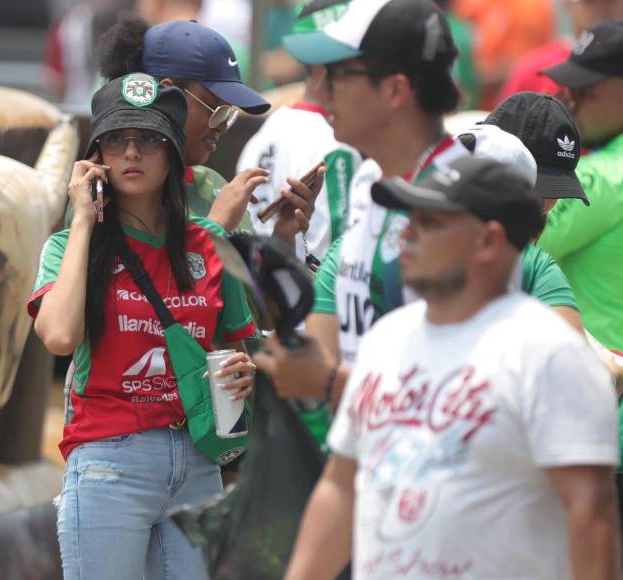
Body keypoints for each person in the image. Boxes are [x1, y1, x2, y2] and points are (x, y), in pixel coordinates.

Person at [284, 155, 621, 580]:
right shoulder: (387, 341)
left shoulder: (547, 353)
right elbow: (341, 484)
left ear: (487, 242)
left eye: (430, 222)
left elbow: (591, 515)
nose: (405, 233)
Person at [254, 0, 583, 407]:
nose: (322, 88)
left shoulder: (466, 209)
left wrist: (326, 382)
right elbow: (323, 349)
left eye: (339, 73)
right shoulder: (369, 184)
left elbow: (470, 398)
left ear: (394, 89)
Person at [30, 73, 258, 580]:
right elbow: (60, 338)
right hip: (110, 464)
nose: (131, 153)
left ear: (174, 153)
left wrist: (245, 372)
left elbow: (238, 349)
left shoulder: (209, 246)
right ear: (96, 158)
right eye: (115, 140)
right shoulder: (70, 247)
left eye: (149, 140)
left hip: (199, 466)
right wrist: (85, 220)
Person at [93, 15, 319, 237]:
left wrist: (283, 236)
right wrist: (216, 226)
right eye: (216, 110)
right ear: (169, 95)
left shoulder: (212, 185)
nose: (222, 127)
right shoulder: (110, 190)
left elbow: (248, 275)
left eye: (229, 114)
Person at [237, 0, 362, 267]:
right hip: (309, 300)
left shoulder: (264, 133)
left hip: (262, 294)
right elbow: (341, 266)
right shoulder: (336, 144)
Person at [539, 20, 623, 355]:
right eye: (567, 88)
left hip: (602, 392)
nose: (567, 102)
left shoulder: (603, 178)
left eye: (585, 90)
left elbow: (499, 244)